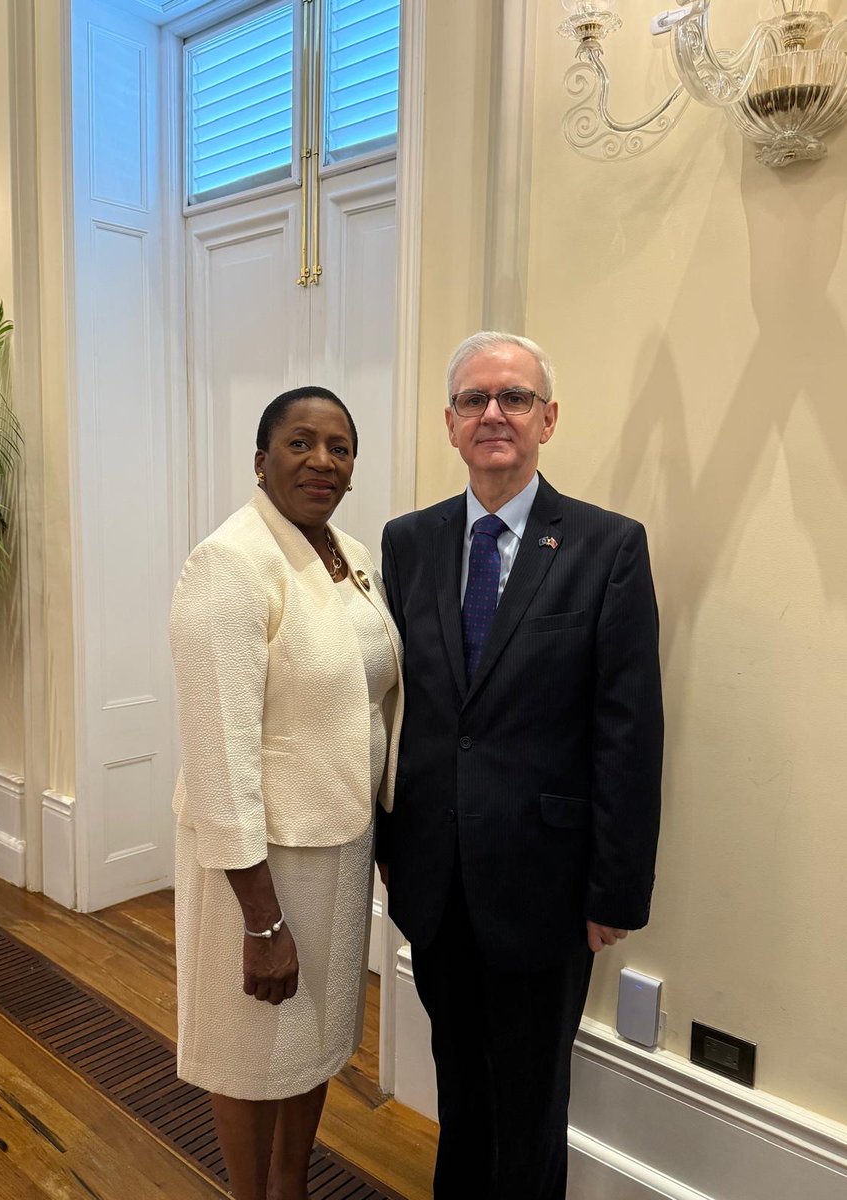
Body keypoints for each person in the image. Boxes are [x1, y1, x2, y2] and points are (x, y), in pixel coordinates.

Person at [376, 332, 663, 1200]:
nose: (493, 414)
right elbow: (398, 711)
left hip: (547, 884)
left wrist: (615, 890)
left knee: (530, 1103)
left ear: (548, 418)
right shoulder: (407, 542)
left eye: (513, 398)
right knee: (457, 1085)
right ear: (451, 426)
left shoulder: (606, 547)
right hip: (435, 876)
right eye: (474, 399)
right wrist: (390, 841)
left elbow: (629, 727)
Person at [169, 386, 403, 1200]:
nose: (322, 461)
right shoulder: (230, 564)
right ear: (260, 460)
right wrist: (260, 918)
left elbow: (371, 699)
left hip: (338, 846)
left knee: (312, 1040)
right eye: (300, 443)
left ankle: (291, 1184)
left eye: (339, 447)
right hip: (261, 864)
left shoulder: (351, 554)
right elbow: (217, 757)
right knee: (249, 1046)